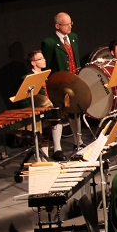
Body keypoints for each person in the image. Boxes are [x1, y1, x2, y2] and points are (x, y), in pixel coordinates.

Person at [40, 12, 84, 147]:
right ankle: (57, 147)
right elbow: (46, 66)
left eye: (71, 23)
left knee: (75, 111)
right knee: (59, 115)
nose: (70, 26)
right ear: (57, 26)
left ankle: (78, 141)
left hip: (74, 81)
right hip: (59, 84)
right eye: (66, 24)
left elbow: (74, 59)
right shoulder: (49, 42)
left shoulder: (73, 37)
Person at [18, 51, 66, 160]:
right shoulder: (28, 78)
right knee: (43, 135)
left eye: (43, 58)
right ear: (33, 63)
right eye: (40, 59)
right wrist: (28, 112)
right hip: (38, 111)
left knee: (58, 118)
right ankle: (43, 158)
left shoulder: (46, 76)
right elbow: (23, 99)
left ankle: (57, 150)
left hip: (49, 107)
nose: (44, 60)